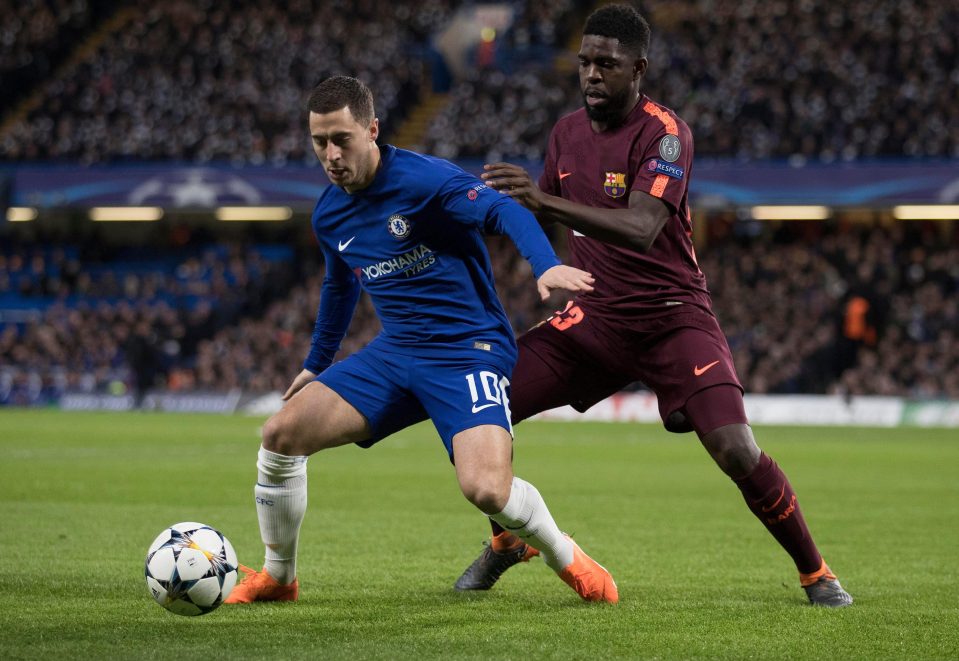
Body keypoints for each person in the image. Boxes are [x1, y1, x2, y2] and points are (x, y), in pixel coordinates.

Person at [452, 4, 852, 607]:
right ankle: (509, 539)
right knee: (483, 405)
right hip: (594, 317)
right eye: (585, 62)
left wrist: (541, 202)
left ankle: (815, 572)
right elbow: (538, 212)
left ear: (638, 68)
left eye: (606, 65)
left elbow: (640, 227)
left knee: (736, 449)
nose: (591, 74)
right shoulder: (564, 133)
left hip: (673, 317)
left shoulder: (666, 133)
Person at [225, 75, 618, 605]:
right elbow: (339, 286)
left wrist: (544, 265)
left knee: (486, 489)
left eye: (342, 139)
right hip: (396, 353)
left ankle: (562, 554)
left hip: (468, 349)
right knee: (279, 436)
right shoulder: (329, 212)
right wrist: (316, 364)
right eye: (320, 142)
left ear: (372, 130)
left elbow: (504, 210)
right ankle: (279, 577)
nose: (331, 154)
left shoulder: (426, 181)